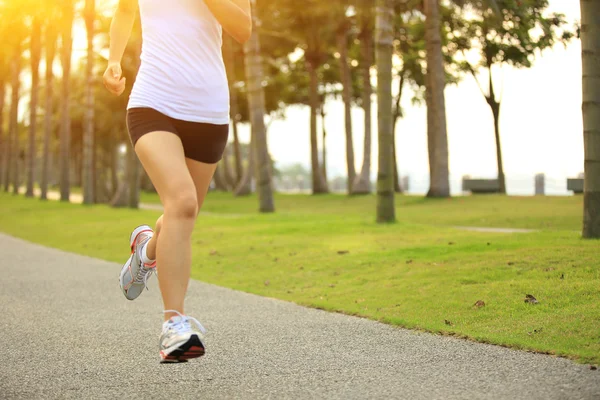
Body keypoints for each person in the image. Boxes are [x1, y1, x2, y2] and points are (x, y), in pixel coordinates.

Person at [103, 0, 252, 363]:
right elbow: (125, 10)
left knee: (181, 215)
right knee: (182, 202)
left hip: (209, 111)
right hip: (153, 101)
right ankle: (175, 327)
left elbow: (243, 28)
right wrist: (112, 59)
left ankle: (146, 251)